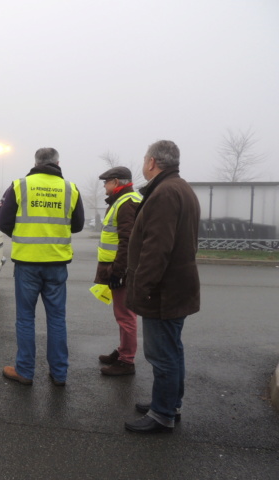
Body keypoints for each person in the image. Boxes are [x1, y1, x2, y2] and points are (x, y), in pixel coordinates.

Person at [124, 140, 200, 434]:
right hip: (175, 288)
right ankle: (170, 402)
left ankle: (163, 414)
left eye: (144, 159)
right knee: (172, 350)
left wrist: (142, 288)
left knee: (162, 355)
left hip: (163, 292)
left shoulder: (165, 193)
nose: (143, 164)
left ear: (152, 162)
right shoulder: (180, 187)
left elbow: (157, 249)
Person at [0, 147, 84, 387]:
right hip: (56, 263)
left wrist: (23, 233)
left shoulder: (20, 185)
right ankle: (59, 373)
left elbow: (2, 221)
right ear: (57, 162)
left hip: (27, 263)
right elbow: (77, 226)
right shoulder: (70, 188)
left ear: (35, 162)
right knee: (57, 319)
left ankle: (24, 371)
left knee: (25, 318)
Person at [95, 166, 141, 376]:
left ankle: (126, 361)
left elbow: (128, 240)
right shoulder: (124, 200)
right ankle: (123, 351)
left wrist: (118, 271)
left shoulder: (127, 202)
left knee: (125, 315)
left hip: (119, 268)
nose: (104, 186)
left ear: (115, 182)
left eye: (106, 182)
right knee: (121, 313)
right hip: (116, 266)